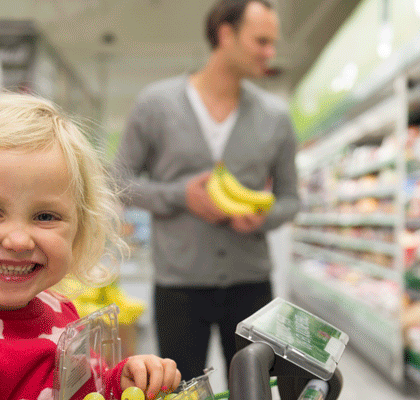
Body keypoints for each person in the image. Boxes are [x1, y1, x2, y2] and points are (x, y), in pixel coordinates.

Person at [0, 93, 181, 400]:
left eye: (45, 216)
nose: (19, 241)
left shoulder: (57, 308)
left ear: (79, 228)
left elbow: (76, 390)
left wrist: (120, 382)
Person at [115, 0, 300, 380]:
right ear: (226, 34)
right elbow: (117, 181)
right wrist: (180, 196)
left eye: (272, 43)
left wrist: (264, 217)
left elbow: (291, 199)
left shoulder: (275, 117)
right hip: (178, 286)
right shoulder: (156, 104)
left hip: (251, 285)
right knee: (182, 387)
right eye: (261, 41)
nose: (270, 52)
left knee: (255, 387)